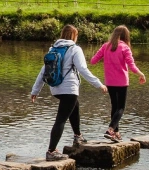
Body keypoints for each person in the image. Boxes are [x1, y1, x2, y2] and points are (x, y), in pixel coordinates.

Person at [31, 24, 107, 161]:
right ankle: (51, 151)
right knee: (61, 120)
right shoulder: (74, 49)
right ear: (74, 36)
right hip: (69, 88)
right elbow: (83, 69)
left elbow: (43, 71)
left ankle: (78, 136)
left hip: (55, 89)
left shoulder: (53, 49)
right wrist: (99, 84)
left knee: (74, 106)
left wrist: (35, 90)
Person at [90, 25, 146, 142]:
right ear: (126, 36)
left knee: (114, 107)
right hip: (121, 82)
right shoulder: (125, 47)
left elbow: (93, 61)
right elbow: (132, 66)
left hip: (109, 82)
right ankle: (110, 129)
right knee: (120, 107)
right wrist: (141, 74)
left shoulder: (106, 46)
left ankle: (116, 133)